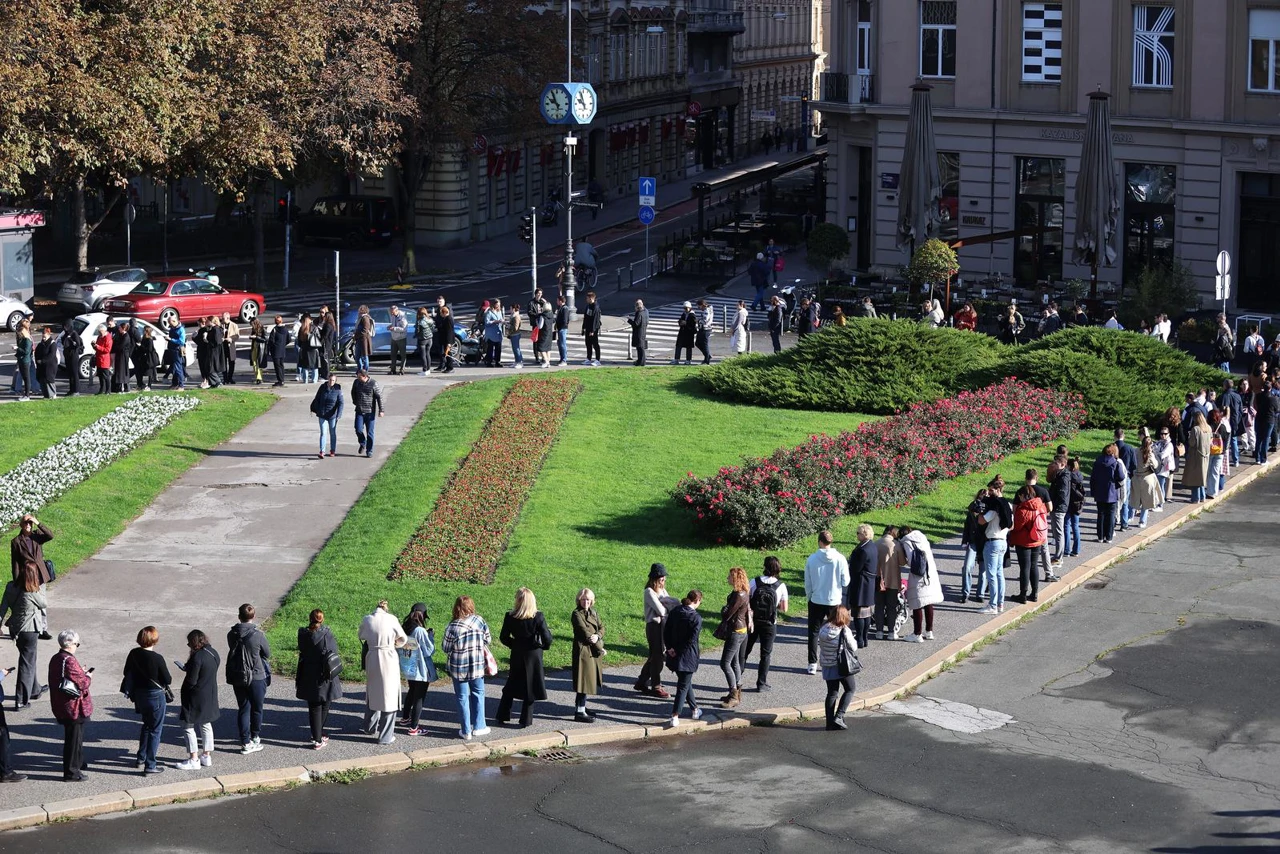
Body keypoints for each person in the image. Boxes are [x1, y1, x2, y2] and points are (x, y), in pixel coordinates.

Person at [495, 588, 552, 728]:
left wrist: (514, 645)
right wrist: (542, 646)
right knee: (530, 685)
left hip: (517, 652)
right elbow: (547, 638)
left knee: (512, 682)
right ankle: (526, 719)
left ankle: (502, 714)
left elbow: (503, 637)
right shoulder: (538, 617)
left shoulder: (510, 616)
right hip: (533, 654)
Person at [443, 596, 494, 742]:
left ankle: (466, 731)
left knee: (462, 697)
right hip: (477, 665)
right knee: (478, 693)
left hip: (458, 667)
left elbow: (446, 648)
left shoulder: (452, 626)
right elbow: (488, 639)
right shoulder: (479, 621)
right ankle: (479, 726)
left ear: (456, 608)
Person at [358, 600, 407, 745]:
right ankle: (386, 736)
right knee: (389, 695)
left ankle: (369, 727)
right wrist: (394, 644)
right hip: (389, 657)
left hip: (372, 656)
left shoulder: (367, 619)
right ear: (386, 608)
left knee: (373, 691)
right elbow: (403, 638)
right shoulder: (392, 619)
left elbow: (361, 635)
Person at [123, 626, 170, 775]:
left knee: (146, 726)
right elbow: (167, 679)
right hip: (155, 696)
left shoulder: (133, 653)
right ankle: (150, 764)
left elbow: (126, 672)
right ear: (154, 640)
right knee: (156, 730)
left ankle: (141, 757)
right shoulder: (157, 658)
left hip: (139, 695)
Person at [0, 562, 47, 709]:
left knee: (28, 660)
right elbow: (44, 603)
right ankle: (21, 700)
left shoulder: (10, 587)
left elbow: (2, 608)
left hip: (15, 630)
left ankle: (35, 689)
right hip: (29, 631)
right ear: (34, 575)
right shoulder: (32, 592)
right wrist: (39, 587)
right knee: (26, 664)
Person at [226, 603, 271, 755]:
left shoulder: (231, 634)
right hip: (257, 675)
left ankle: (245, 741)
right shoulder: (258, 635)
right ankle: (255, 736)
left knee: (243, 708)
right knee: (257, 709)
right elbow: (267, 653)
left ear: (239, 616)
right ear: (254, 616)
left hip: (238, 675)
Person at [803, 530, 850, 674]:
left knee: (813, 632)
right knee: (837, 630)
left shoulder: (812, 559)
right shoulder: (840, 558)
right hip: (834, 599)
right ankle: (835, 659)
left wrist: (809, 596)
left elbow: (808, 582)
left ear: (819, 542)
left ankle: (812, 663)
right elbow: (846, 580)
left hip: (816, 599)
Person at [49, 629, 92, 781]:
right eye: (76, 644)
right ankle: (71, 772)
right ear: (71, 644)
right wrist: (87, 676)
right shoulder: (70, 660)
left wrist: (81, 672)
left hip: (60, 703)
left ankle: (78, 762)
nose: (76, 646)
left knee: (76, 736)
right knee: (73, 739)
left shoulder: (56, 658)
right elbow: (82, 684)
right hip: (73, 706)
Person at [296, 608, 342, 749]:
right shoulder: (326, 634)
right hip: (324, 673)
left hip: (308, 673)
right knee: (325, 703)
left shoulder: (302, 634)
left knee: (313, 706)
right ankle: (317, 737)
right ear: (322, 619)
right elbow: (333, 651)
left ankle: (317, 735)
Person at [175, 629, 219, 771]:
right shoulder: (213, 653)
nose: (188, 645)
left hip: (195, 697)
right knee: (205, 724)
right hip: (209, 695)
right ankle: (206, 756)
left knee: (188, 726)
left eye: (189, 642)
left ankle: (193, 759)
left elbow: (191, 681)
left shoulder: (197, 657)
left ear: (194, 642)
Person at [745, 557, 788, 692]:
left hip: (753, 621)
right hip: (769, 623)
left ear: (764, 566)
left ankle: (736, 680)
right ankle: (761, 683)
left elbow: (747, 599)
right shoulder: (780, 586)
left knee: (745, 650)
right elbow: (784, 608)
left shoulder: (755, 581)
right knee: (765, 654)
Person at [663, 589, 704, 727]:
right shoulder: (696, 618)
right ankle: (675, 715)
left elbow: (666, 631)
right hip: (687, 656)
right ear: (697, 601)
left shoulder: (675, 611)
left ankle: (695, 709)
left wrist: (670, 648)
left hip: (673, 654)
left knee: (685, 683)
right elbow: (691, 640)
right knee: (682, 686)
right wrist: (678, 651)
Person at [715, 567, 753, 709]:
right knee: (735, 662)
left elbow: (727, 614)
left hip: (736, 631)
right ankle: (737, 690)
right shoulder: (743, 593)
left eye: (730, 576)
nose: (727, 578)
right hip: (741, 630)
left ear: (736, 579)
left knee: (725, 663)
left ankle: (733, 694)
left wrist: (723, 609)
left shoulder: (739, 595)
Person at [635, 564, 674, 698]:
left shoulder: (662, 590)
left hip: (662, 626)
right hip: (653, 627)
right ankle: (656, 686)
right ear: (654, 579)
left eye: (664, 578)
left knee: (654, 656)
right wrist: (667, 604)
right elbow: (662, 610)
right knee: (657, 657)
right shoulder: (649, 592)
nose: (664, 581)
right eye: (661, 579)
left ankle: (641, 681)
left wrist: (667, 604)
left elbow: (672, 603)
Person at [817, 605, 858, 731]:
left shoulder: (823, 629)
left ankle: (829, 723)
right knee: (850, 689)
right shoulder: (844, 630)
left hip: (827, 665)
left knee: (832, 693)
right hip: (841, 665)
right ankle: (839, 715)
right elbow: (853, 647)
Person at [898, 526, 943, 639]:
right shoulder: (922, 538)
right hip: (930, 573)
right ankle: (929, 631)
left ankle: (917, 634)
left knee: (918, 603)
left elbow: (911, 561)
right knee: (928, 602)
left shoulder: (907, 542)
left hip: (919, 576)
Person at [1009, 484, 1048, 604]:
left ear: (1022, 495)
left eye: (1019, 496)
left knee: (1024, 568)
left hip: (1024, 542)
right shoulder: (1040, 505)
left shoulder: (1023, 509)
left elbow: (1016, 526)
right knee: (1034, 566)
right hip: (1037, 539)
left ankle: (1023, 594)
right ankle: (1035, 593)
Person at [570, 588, 605, 722]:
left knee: (588, 680)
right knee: (582, 681)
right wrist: (600, 648)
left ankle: (582, 707)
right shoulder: (576, 614)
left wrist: (598, 636)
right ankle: (579, 711)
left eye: (588, 600)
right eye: (583, 599)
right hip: (583, 651)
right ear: (579, 600)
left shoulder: (594, 612)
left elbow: (602, 627)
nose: (586, 602)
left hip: (592, 650)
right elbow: (584, 633)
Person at [841, 523, 878, 648]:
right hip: (869, 583)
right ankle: (865, 638)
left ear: (864, 534)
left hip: (861, 584)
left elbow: (856, 568)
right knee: (867, 613)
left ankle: (860, 639)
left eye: (858, 533)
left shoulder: (862, 550)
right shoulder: (872, 546)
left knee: (858, 614)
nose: (857, 535)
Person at [978, 479, 1012, 615]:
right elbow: (1012, 525)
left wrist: (979, 512)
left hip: (993, 542)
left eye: (991, 490)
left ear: (998, 490)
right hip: (1003, 541)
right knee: (999, 574)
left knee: (991, 575)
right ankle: (1000, 603)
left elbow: (982, 520)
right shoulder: (1007, 505)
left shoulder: (995, 506)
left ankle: (992, 606)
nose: (989, 494)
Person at [1090, 443, 1126, 541]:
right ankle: (1109, 537)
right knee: (1110, 515)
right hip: (1112, 492)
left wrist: (1093, 491)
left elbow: (1093, 477)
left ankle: (1100, 536)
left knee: (1100, 514)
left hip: (1100, 491)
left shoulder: (1097, 462)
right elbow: (1122, 476)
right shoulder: (1115, 463)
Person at [959, 490, 987, 603]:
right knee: (967, 567)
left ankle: (980, 594)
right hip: (973, 541)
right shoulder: (972, 510)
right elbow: (967, 526)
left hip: (986, 542)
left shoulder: (989, 510)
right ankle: (965, 593)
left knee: (983, 570)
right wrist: (964, 541)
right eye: (980, 497)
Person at [351, 368, 385, 458]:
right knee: (358, 429)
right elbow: (353, 393)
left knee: (370, 432)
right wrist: (355, 402)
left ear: (364, 376)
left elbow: (379, 397)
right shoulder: (356, 383)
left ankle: (369, 451)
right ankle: (362, 442)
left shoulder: (373, 383)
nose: (358, 378)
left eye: (359, 377)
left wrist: (381, 410)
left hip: (370, 412)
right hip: (359, 410)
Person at [11, 513, 54, 584]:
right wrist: (16, 581)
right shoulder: (16, 541)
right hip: (28, 576)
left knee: (42, 595)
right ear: (21, 525)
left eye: (30, 522)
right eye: (25, 522)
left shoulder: (37, 535)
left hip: (41, 574)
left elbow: (50, 536)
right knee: (29, 595)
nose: (28, 524)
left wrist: (38, 523)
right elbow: (15, 562)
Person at [310, 372, 344, 459]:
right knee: (323, 433)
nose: (331, 381)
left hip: (332, 416)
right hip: (322, 414)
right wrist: (318, 409)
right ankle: (322, 451)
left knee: (332, 433)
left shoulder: (338, 390)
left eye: (333, 380)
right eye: (330, 380)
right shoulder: (322, 387)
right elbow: (317, 398)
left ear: (335, 381)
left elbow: (341, 403)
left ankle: (332, 450)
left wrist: (339, 414)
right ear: (328, 379)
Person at [1181, 411, 1212, 503]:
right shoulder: (1208, 428)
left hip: (1195, 456)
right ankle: (1202, 497)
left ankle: (1195, 498)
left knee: (1195, 478)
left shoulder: (1196, 429)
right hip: (1205, 456)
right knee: (1202, 477)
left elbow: (1192, 443)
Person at [1114, 429, 1140, 531]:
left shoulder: (1111, 448)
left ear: (1115, 436)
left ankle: (1114, 521)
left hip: (1114, 478)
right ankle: (1124, 524)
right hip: (1126, 477)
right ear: (1123, 436)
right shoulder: (1129, 448)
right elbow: (1134, 465)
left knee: (1114, 501)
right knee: (1125, 500)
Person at [1133, 436, 1162, 526]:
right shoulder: (1150, 454)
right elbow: (1156, 465)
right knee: (1146, 501)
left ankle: (1129, 517)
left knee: (1135, 498)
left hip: (1137, 477)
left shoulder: (1136, 451)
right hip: (1147, 477)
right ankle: (1142, 521)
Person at [1065, 457, 1085, 556]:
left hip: (1069, 503)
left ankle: (1067, 549)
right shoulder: (1079, 476)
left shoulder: (1068, 477)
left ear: (1069, 466)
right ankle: (1076, 550)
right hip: (1077, 504)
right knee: (1076, 527)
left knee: (1066, 526)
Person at [1222, 379, 1244, 467]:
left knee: (1225, 441)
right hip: (1235, 421)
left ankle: (1224, 460)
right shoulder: (1237, 396)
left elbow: (1224, 408)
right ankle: (1236, 460)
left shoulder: (1225, 396)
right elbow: (1241, 410)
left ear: (1225, 386)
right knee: (1234, 440)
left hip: (1226, 421)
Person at [11, 319, 34, 400]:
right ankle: (26, 394)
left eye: (21, 330)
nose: (20, 332)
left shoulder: (27, 340)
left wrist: (17, 348)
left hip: (25, 361)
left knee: (27, 378)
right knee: (25, 378)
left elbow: (26, 351)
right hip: (22, 360)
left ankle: (27, 395)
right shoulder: (23, 339)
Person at [60, 320, 84, 396]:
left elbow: (77, 344)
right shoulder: (66, 334)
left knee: (74, 373)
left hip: (73, 355)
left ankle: (76, 390)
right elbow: (63, 341)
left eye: (66, 326)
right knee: (70, 373)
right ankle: (71, 390)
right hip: (68, 355)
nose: (65, 328)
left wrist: (72, 341)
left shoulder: (74, 333)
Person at [34, 327, 58, 399]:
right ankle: (46, 395)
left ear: (48, 335)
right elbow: (37, 352)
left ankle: (52, 394)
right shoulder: (41, 344)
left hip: (50, 366)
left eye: (44, 336)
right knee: (42, 380)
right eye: (42, 336)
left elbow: (51, 355)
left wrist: (42, 361)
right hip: (41, 366)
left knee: (49, 380)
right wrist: (38, 361)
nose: (43, 338)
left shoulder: (52, 344)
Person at [110, 320, 134, 392]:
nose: (119, 329)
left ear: (123, 328)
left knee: (122, 371)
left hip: (123, 356)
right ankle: (120, 386)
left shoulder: (126, 336)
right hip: (120, 355)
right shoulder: (121, 335)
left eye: (120, 328)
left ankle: (122, 387)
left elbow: (121, 346)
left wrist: (116, 347)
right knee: (119, 370)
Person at [581, 291, 602, 366]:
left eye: (587, 298)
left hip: (593, 329)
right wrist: (583, 328)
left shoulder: (595, 307)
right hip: (588, 328)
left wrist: (592, 330)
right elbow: (585, 318)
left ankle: (597, 360)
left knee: (595, 344)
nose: (586, 300)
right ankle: (588, 358)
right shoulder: (588, 306)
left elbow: (595, 320)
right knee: (588, 343)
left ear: (591, 298)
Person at [482, 299, 504, 367]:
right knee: (490, 349)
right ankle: (489, 362)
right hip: (491, 334)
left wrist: (502, 321)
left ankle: (497, 361)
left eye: (499, 305)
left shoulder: (499, 311)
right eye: (497, 304)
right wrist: (494, 321)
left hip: (498, 333)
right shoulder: (489, 312)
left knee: (498, 348)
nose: (498, 306)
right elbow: (487, 322)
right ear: (494, 304)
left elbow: (501, 319)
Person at [387, 305, 409, 375]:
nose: (391, 314)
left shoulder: (402, 317)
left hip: (401, 338)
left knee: (402, 355)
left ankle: (402, 369)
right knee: (393, 355)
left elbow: (404, 329)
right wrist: (390, 326)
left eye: (393, 312)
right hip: (394, 337)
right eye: (391, 312)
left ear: (397, 311)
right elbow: (393, 324)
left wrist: (394, 328)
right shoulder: (393, 316)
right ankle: (393, 369)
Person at [92, 324, 113, 395]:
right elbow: (97, 347)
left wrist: (98, 347)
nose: (99, 333)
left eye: (100, 332)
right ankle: (101, 390)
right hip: (99, 359)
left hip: (104, 360)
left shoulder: (108, 338)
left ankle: (108, 391)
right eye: (99, 332)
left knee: (106, 376)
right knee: (100, 376)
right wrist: (94, 345)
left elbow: (107, 350)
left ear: (104, 330)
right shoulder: (99, 337)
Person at [628, 299, 650, 366]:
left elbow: (636, 324)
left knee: (640, 348)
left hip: (638, 333)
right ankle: (641, 361)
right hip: (643, 331)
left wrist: (629, 320)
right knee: (641, 348)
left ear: (637, 307)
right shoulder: (645, 311)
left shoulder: (639, 313)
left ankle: (641, 362)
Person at [353, 304, 374, 373]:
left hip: (364, 339)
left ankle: (365, 371)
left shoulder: (365, 318)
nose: (358, 310)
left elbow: (365, 329)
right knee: (357, 356)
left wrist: (358, 335)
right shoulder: (360, 317)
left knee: (364, 356)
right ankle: (360, 370)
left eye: (360, 309)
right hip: (359, 339)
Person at [204, 316, 224, 388]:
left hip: (214, 351)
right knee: (208, 367)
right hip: (212, 351)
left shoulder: (216, 329)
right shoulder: (213, 329)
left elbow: (217, 341)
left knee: (210, 368)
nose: (206, 322)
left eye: (208, 320)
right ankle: (213, 383)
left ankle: (217, 381)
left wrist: (207, 341)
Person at [221, 311, 240, 384]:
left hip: (230, 346)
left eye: (223, 318)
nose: (222, 319)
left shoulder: (234, 325)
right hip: (223, 346)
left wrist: (231, 339)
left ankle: (230, 377)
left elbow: (237, 335)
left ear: (228, 318)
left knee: (231, 363)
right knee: (224, 363)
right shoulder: (221, 325)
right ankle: (225, 379)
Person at [435, 306, 456, 373]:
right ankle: (447, 366)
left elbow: (449, 331)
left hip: (448, 340)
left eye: (441, 313)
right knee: (446, 353)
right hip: (445, 339)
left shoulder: (449, 319)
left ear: (444, 313)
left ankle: (450, 367)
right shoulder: (446, 318)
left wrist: (449, 342)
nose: (440, 314)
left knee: (448, 354)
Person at [506, 304, 525, 368]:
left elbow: (515, 327)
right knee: (514, 349)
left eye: (511, 308)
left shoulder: (516, 316)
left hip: (515, 334)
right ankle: (517, 361)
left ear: (514, 309)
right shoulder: (513, 316)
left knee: (516, 349)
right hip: (513, 334)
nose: (510, 310)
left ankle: (520, 362)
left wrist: (508, 326)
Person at [695, 299, 714, 363]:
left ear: (702, 305)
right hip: (704, 328)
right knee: (698, 343)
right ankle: (707, 355)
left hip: (705, 329)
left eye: (699, 306)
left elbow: (705, 320)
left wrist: (698, 320)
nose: (698, 308)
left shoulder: (706, 310)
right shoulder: (709, 309)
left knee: (704, 344)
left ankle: (707, 359)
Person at [554, 295, 570, 366]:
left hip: (562, 328)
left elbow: (565, 320)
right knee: (560, 344)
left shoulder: (565, 309)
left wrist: (560, 325)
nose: (557, 302)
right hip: (560, 328)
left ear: (560, 301)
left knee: (562, 344)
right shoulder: (560, 308)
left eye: (557, 300)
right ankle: (561, 359)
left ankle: (564, 360)